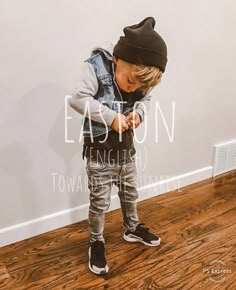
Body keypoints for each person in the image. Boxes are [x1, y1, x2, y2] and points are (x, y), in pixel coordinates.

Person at [69, 16, 168, 275]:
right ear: (118, 60)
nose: (133, 88)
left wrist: (139, 113)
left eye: (138, 86)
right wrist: (111, 118)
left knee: (129, 194)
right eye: (130, 82)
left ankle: (132, 228)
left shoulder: (137, 79)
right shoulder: (95, 67)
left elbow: (145, 100)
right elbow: (78, 99)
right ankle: (96, 241)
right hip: (99, 153)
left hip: (126, 151)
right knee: (99, 202)